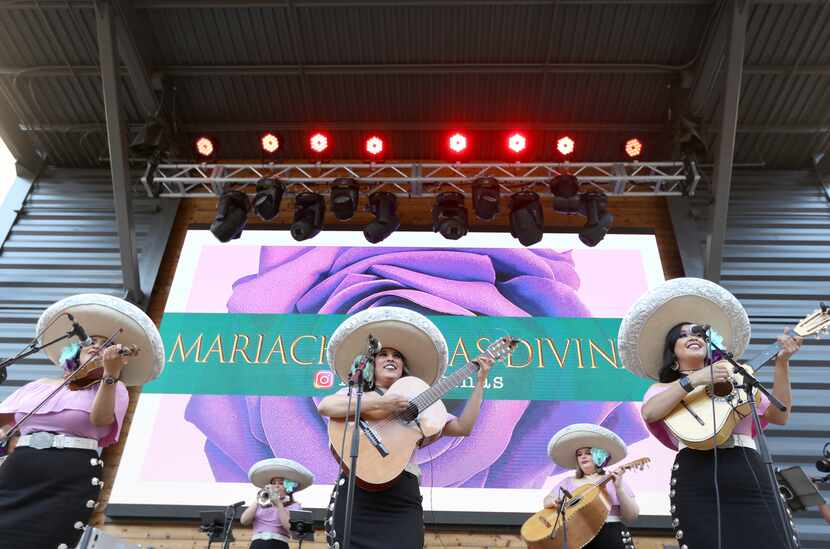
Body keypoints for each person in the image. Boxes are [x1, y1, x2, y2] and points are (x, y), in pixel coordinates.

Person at [618, 277, 802, 548]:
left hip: (747, 468)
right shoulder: (663, 388)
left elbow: (780, 415)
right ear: (673, 352)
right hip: (696, 476)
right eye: (681, 336)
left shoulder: (738, 378)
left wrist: (782, 364)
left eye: (696, 333)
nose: (691, 337)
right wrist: (693, 380)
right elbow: (650, 413)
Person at [316, 306, 495, 549]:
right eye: (383, 354)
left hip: (401, 497)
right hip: (357, 494)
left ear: (404, 367)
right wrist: (382, 402)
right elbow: (326, 406)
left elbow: (463, 426)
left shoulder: (421, 406)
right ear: (371, 363)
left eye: (397, 356)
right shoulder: (355, 395)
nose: (391, 358)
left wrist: (480, 382)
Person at [0, 293, 164, 549]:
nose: (96, 345)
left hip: (66, 475)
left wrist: (110, 374)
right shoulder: (38, 385)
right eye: (91, 341)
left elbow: (100, 420)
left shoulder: (113, 388)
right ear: (74, 349)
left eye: (105, 344)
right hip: (19, 469)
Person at [543, 423, 639, 548]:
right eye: (579, 454)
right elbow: (546, 501)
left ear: (599, 455)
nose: (582, 456)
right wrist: (553, 501)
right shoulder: (567, 482)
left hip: (611, 537)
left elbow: (632, 516)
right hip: (578, 537)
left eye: (588, 452)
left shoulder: (614, 480)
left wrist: (619, 488)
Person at [240, 458, 314, 549]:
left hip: (278, 544)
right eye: (273, 483)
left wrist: (279, 504)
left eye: (281, 483)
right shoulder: (261, 503)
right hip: (257, 544)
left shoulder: (295, 506)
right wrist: (259, 499)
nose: (276, 486)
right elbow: (244, 521)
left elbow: (289, 527)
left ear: (288, 488)